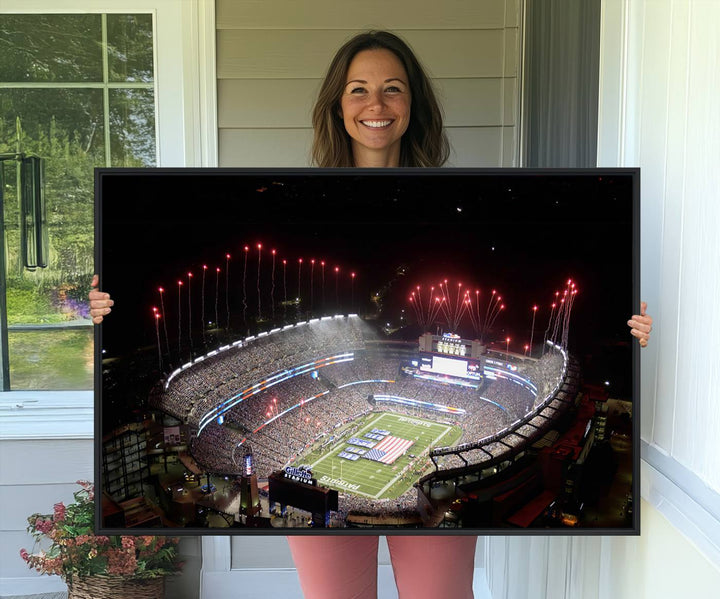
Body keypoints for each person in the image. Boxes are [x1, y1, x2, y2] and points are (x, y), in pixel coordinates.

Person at [89, 30, 653, 599]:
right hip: (325, 504)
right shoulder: (301, 195)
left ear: (414, 104)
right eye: (358, 90)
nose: (376, 105)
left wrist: (631, 334)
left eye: (393, 89)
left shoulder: (459, 195)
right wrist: (100, 311)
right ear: (337, 104)